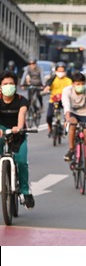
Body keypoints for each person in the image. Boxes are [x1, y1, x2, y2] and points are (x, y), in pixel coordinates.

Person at [0, 71, 35, 209]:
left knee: (21, 161)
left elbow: (22, 114)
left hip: (18, 132)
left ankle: (26, 192)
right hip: (1, 131)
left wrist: (19, 127)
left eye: (11, 84)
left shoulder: (21, 100)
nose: (8, 86)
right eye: (5, 84)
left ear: (16, 86)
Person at [62, 72, 86, 182]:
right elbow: (66, 106)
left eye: (82, 83)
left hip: (84, 114)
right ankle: (71, 150)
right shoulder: (67, 90)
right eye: (77, 83)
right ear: (73, 84)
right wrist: (67, 119)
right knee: (72, 124)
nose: (80, 86)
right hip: (72, 114)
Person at [43, 62, 73, 138]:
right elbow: (47, 86)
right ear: (56, 71)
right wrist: (46, 89)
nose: (60, 73)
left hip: (64, 101)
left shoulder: (68, 80)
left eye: (62, 71)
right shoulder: (52, 79)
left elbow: (72, 89)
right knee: (49, 116)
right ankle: (50, 129)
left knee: (68, 115)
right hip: (53, 100)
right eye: (59, 71)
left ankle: (65, 126)